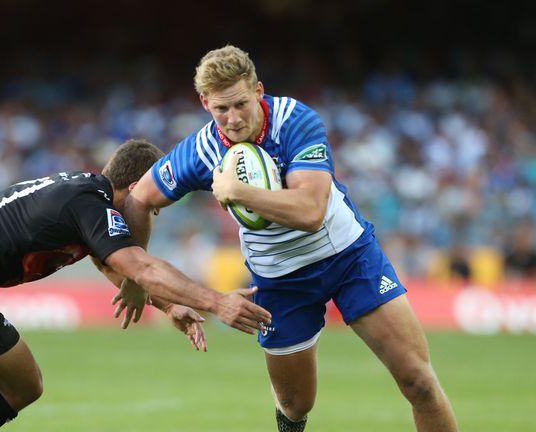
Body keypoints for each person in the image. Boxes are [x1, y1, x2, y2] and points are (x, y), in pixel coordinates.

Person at [118, 46, 458, 431]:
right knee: (295, 405)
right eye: (220, 110)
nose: (232, 119)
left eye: (241, 104)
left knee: (418, 380)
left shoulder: (294, 121)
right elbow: (138, 200)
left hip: (347, 256)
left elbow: (311, 212)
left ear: (259, 91)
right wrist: (135, 275)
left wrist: (237, 191)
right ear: (204, 103)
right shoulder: (200, 151)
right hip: (280, 280)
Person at [0, 138, 272, 432]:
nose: (156, 214)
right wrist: (217, 302)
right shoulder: (92, 204)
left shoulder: (79, 193)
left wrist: (169, 305)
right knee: (24, 386)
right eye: (156, 204)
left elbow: (114, 266)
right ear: (138, 187)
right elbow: (137, 265)